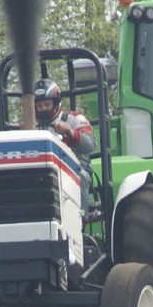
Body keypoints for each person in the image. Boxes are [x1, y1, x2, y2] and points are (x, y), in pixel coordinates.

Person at [33, 79, 97, 213]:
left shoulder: (74, 119)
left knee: (82, 177)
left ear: (56, 103)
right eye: (40, 106)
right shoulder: (31, 126)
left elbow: (90, 145)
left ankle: (80, 218)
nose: (43, 109)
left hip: (73, 169)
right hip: (41, 170)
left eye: (47, 104)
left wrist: (70, 132)